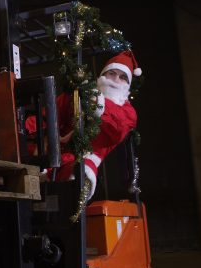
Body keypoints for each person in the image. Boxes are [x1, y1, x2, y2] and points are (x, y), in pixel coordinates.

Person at [27, 50, 141, 199]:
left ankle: (76, 192)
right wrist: (23, 129)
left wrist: (97, 104)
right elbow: (49, 114)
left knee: (82, 169)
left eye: (122, 77)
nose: (115, 79)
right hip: (52, 148)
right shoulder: (81, 93)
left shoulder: (127, 112)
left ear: (128, 84)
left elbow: (116, 128)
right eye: (111, 73)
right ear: (103, 75)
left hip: (85, 156)